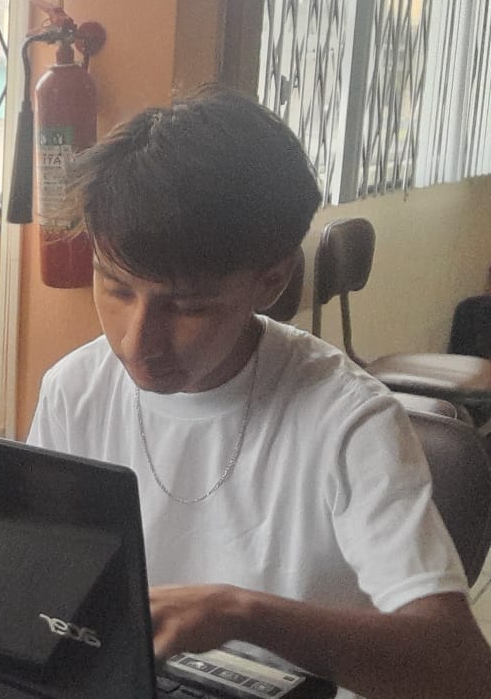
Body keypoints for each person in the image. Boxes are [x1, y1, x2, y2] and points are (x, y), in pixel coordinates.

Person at [26, 88, 491, 697]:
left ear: (270, 281)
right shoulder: (75, 390)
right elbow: (43, 578)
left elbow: (459, 667)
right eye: (116, 289)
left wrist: (243, 614)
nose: (137, 340)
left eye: (188, 307)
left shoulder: (348, 421)